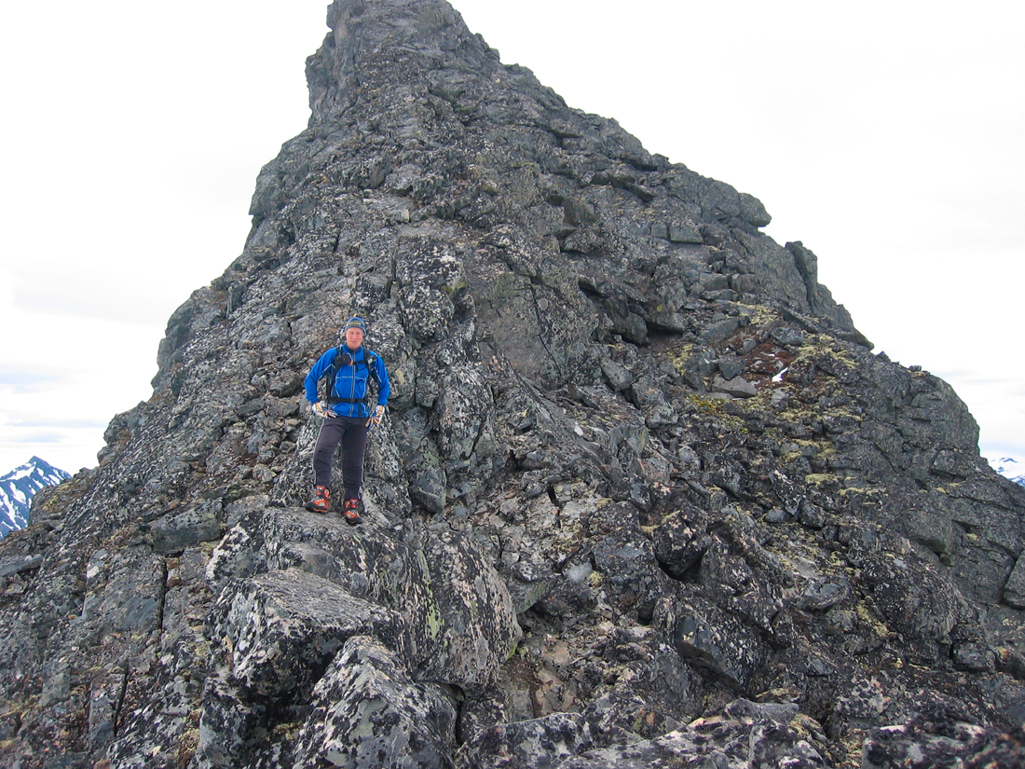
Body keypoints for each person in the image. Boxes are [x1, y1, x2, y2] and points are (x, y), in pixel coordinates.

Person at [303, 316, 390, 524]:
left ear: (363, 336)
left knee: (353, 462)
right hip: (336, 413)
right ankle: (321, 495)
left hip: (360, 417)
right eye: (351, 332)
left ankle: (351, 505)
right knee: (323, 449)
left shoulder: (371, 359)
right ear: (345, 334)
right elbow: (311, 378)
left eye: (358, 333)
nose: (354, 336)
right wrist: (315, 403)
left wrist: (380, 407)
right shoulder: (333, 355)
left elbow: (384, 385)